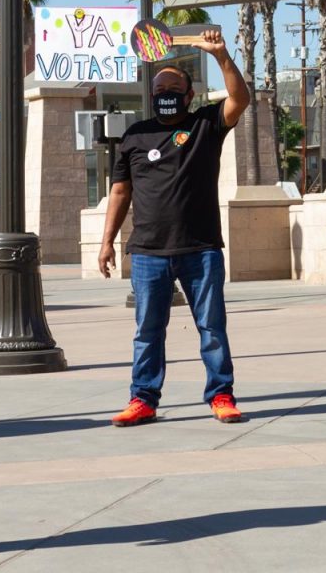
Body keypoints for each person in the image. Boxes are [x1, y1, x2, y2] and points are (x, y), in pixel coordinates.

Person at [98, 29, 251, 427]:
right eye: (159, 87)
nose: (165, 92)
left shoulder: (206, 125)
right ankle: (143, 399)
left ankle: (221, 395)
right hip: (148, 252)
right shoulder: (134, 136)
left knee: (212, 327)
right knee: (147, 331)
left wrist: (220, 55)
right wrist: (107, 242)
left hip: (200, 249)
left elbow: (240, 100)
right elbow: (119, 192)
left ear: (189, 95)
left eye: (173, 87)